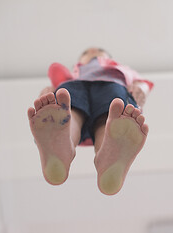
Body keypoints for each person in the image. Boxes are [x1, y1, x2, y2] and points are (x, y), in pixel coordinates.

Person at [27, 47, 153, 195]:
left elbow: (143, 83)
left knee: (112, 119)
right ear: (79, 62)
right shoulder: (70, 75)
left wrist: (141, 89)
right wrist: (49, 89)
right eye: (86, 53)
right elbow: (53, 90)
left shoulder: (122, 69)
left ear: (109, 58)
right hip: (75, 86)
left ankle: (107, 156)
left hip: (111, 84)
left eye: (99, 51)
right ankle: (63, 145)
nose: (93, 52)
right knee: (67, 109)